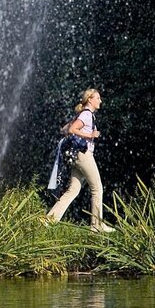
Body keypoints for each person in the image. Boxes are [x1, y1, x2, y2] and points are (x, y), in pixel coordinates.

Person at [47, 88, 115, 231]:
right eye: (98, 98)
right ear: (90, 99)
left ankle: (49, 219)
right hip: (84, 154)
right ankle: (97, 225)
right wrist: (90, 135)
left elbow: (65, 129)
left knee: (73, 190)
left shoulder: (83, 114)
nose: (100, 101)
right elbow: (72, 129)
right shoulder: (87, 114)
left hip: (77, 155)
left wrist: (77, 130)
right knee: (97, 188)